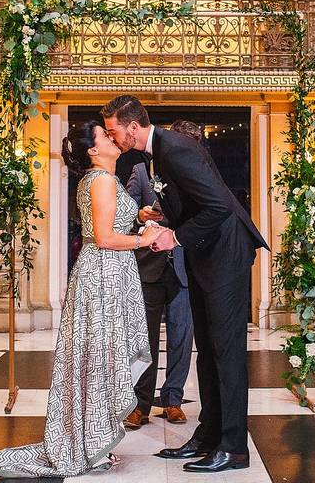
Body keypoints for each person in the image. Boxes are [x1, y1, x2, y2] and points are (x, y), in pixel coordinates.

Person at [0, 120, 159, 478]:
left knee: (98, 356)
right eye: (105, 135)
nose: (112, 138)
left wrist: (138, 215)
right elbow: (103, 237)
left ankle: (90, 436)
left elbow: (108, 220)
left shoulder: (103, 179)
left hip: (107, 272)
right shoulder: (101, 179)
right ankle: (88, 441)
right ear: (93, 149)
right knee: (97, 356)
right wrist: (147, 238)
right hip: (102, 272)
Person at [102, 96, 267, 473]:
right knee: (207, 351)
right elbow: (195, 203)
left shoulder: (174, 147)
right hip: (206, 256)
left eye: (114, 131)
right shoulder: (157, 152)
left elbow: (219, 207)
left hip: (225, 257)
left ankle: (234, 447)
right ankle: (209, 436)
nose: (113, 139)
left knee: (225, 354)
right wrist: (164, 222)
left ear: (132, 126)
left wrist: (174, 237)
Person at [122, 119, 197, 429]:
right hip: (148, 266)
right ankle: (140, 405)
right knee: (145, 340)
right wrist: (141, 216)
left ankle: (173, 400)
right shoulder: (142, 172)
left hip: (183, 266)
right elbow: (121, 215)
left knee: (182, 336)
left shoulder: (196, 174)